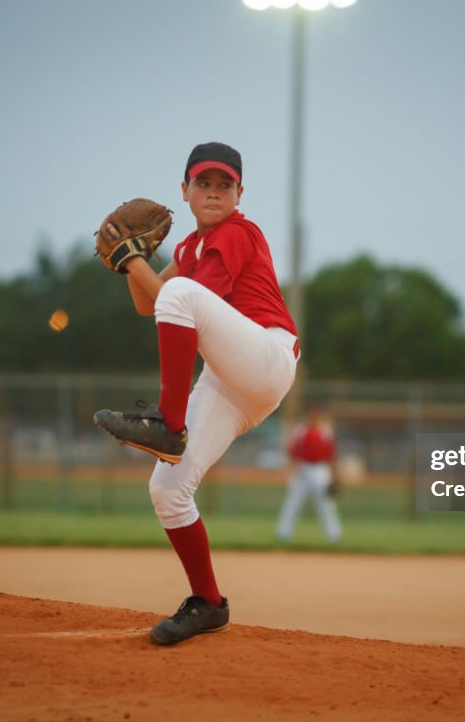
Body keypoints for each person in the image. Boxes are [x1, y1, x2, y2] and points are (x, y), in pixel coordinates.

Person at [93, 142, 298, 646]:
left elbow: (176, 299)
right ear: (183, 190)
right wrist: (132, 265)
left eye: (223, 184)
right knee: (167, 489)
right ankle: (208, 603)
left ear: (239, 193)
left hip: (267, 357)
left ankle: (168, 423)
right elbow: (149, 305)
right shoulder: (187, 249)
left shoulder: (238, 233)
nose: (213, 192)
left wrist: (132, 259)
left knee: (183, 294)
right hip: (230, 381)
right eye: (203, 183)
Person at [276, 405, 343, 543]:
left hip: (320, 469)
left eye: (316, 415)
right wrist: (294, 467)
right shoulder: (300, 431)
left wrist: (335, 475)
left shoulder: (326, 431)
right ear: (308, 416)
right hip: (303, 468)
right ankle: (283, 534)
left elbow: (331, 455)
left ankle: (334, 535)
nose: (314, 418)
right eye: (312, 415)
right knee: (293, 501)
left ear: (320, 417)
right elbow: (293, 451)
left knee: (326, 503)